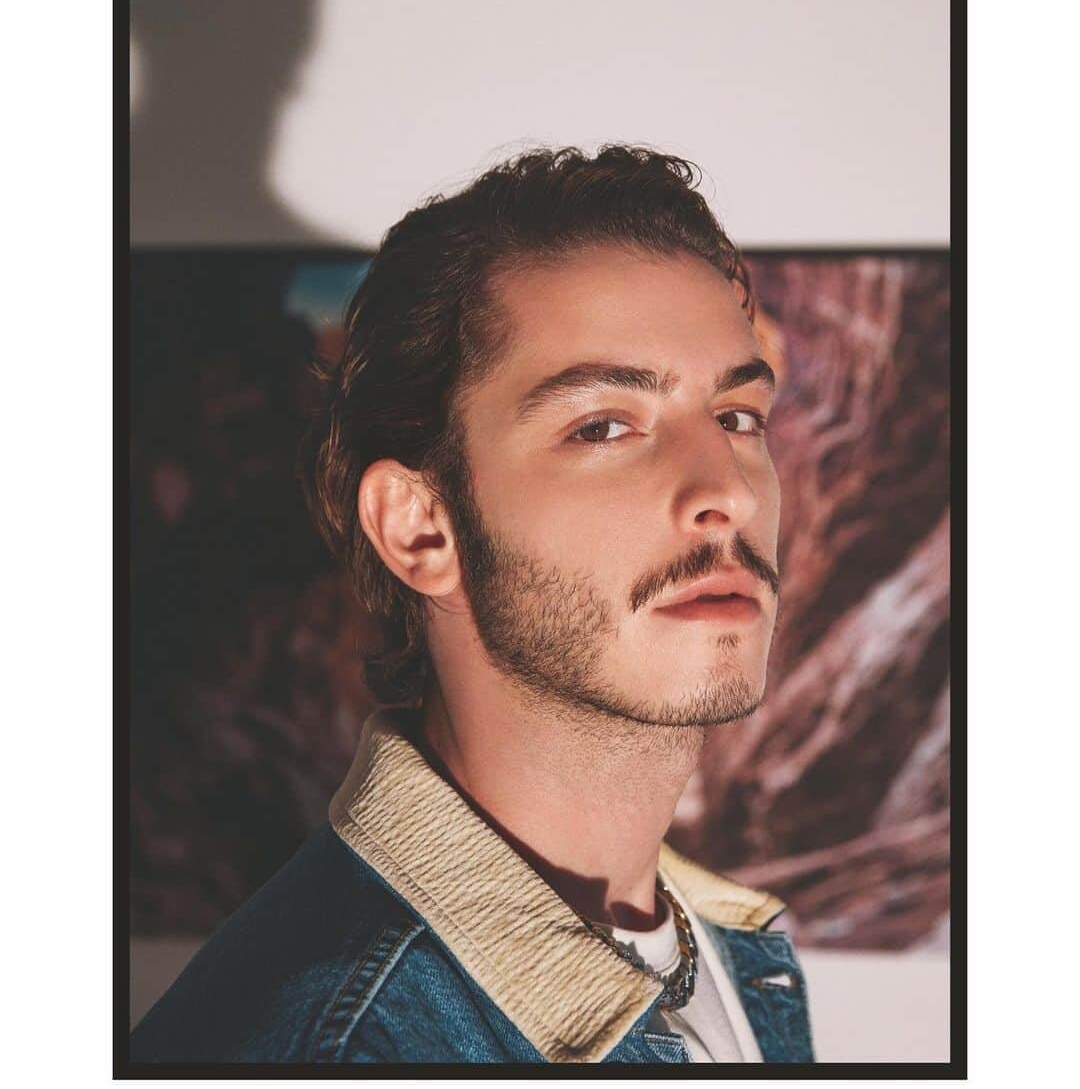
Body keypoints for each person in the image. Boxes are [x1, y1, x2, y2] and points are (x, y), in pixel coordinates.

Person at [129, 146, 815, 1065]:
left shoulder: (738, 950)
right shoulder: (337, 1049)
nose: (725, 489)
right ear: (420, 528)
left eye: (736, 417)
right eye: (604, 425)